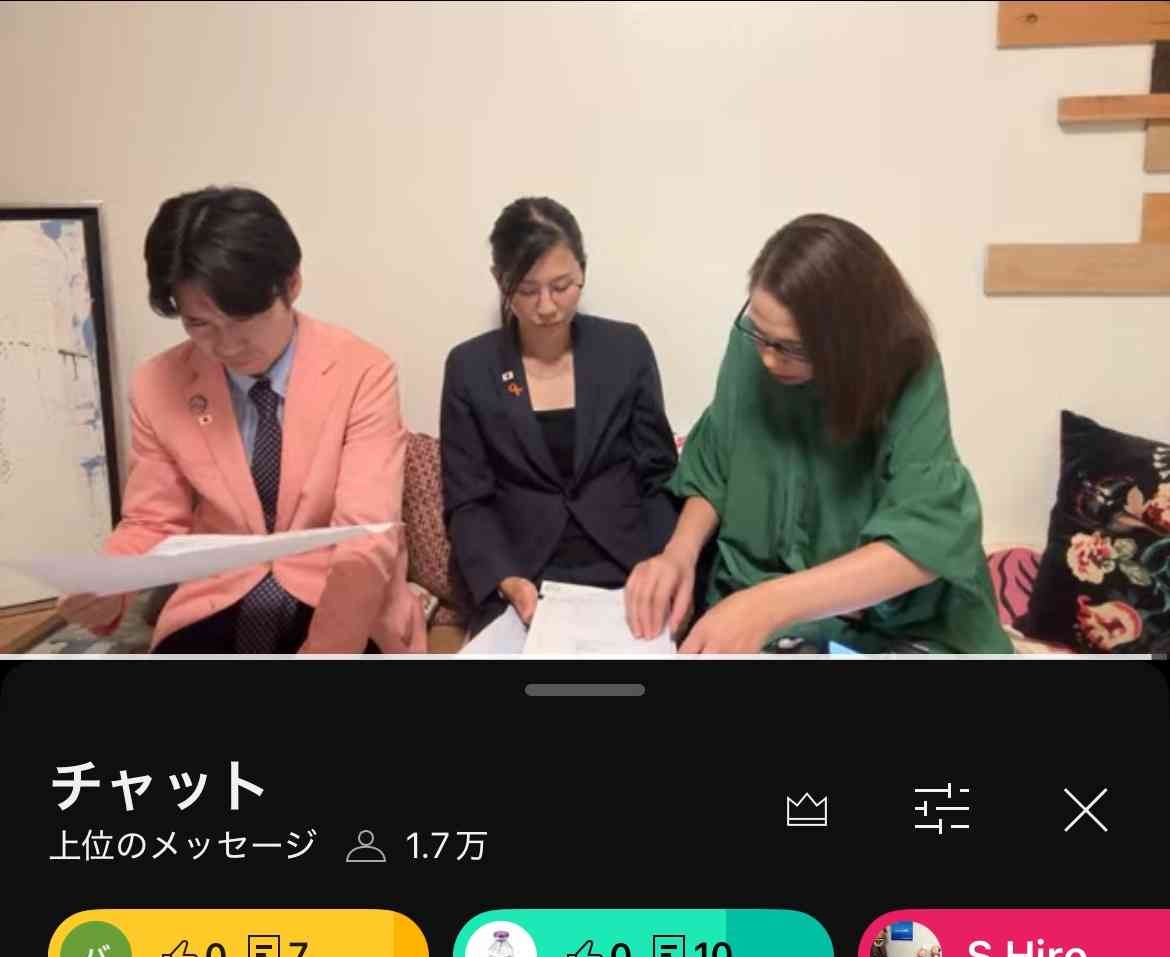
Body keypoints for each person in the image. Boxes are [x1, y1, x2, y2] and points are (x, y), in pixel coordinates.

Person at [57, 186, 424, 653]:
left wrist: (328, 650)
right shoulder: (158, 383)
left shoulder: (362, 371)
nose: (226, 346)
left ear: (291, 284)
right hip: (219, 594)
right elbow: (152, 520)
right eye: (199, 324)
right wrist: (107, 584)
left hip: (337, 591)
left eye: (244, 319)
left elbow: (366, 535)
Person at [625, 215, 1012, 654]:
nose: (768, 359)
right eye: (760, 335)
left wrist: (768, 605)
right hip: (767, 597)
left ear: (852, 342)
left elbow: (927, 537)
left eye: (792, 348)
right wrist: (679, 554)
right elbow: (715, 464)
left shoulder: (907, 368)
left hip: (892, 614)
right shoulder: (754, 346)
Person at [440, 197, 679, 635]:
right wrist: (505, 578)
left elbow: (658, 477)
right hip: (522, 576)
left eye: (562, 286)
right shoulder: (470, 368)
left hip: (625, 569)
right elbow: (468, 500)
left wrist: (662, 564)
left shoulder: (626, 350)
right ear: (499, 280)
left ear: (583, 270)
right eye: (527, 290)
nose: (547, 306)